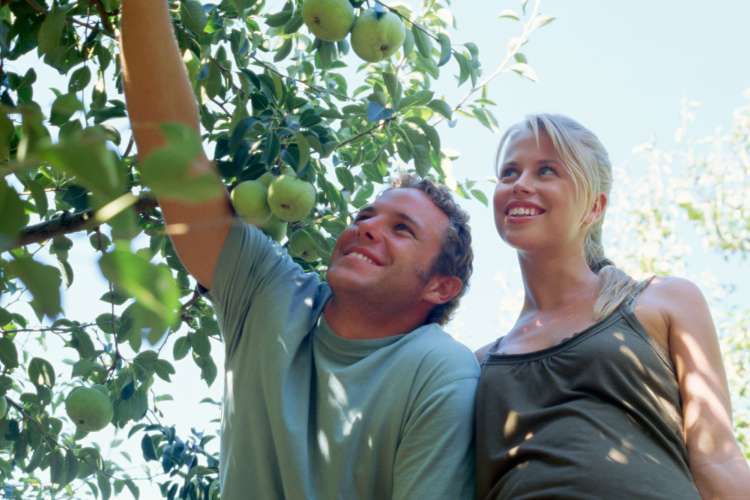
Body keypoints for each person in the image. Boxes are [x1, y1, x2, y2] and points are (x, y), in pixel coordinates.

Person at [119, 1, 479, 499]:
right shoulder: (271, 293)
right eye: (365, 216)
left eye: (403, 229)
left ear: (440, 285)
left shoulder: (440, 369)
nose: (368, 228)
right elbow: (171, 152)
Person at [475, 113, 750, 499]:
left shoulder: (663, 302)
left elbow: (717, 459)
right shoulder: (477, 365)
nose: (521, 184)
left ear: (594, 207)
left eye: (547, 171)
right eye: (509, 173)